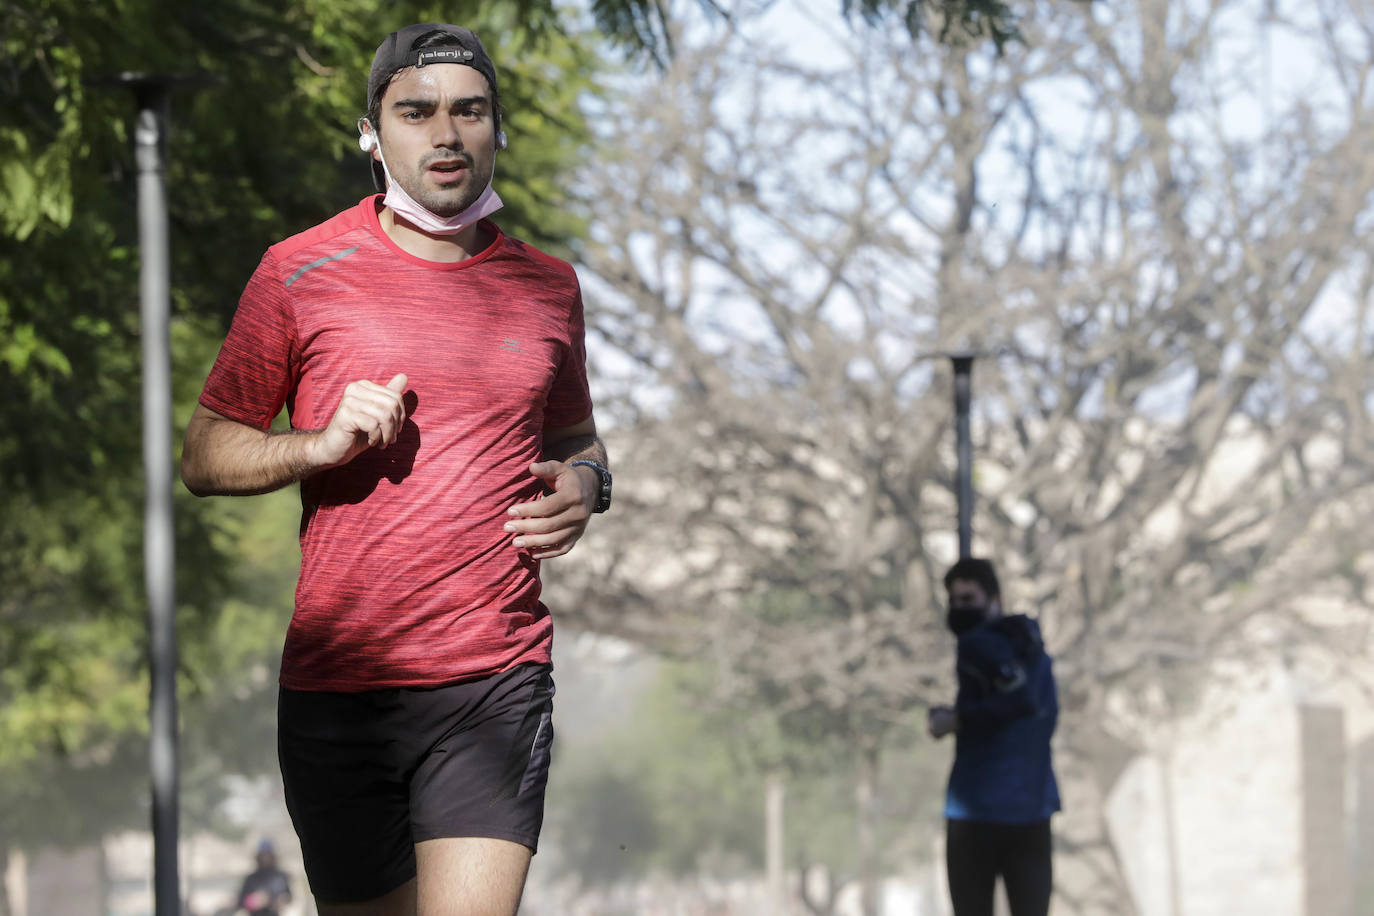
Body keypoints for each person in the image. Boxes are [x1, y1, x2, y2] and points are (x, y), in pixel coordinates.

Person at [182, 22, 612, 916]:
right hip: (341, 682)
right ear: (372, 134)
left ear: (498, 129)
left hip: (494, 673)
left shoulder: (548, 287)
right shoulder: (300, 271)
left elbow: (580, 440)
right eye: (415, 113)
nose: (445, 134)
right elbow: (206, 453)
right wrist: (318, 445)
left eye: (469, 111)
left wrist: (586, 488)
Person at [928, 558, 1060, 916]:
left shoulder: (978, 644)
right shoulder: (1035, 652)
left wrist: (957, 719)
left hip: (981, 813)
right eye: (954, 601)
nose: (959, 610)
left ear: (995, 599)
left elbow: (1019, 699)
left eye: (968, 599)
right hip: (1031, 807)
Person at [235, 839, 292, 916]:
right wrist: (253, 901)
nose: (265, 859)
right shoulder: (251, 878)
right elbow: (240, 902)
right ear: (258, 857)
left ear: (273, 856)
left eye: (268, 855)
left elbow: (289, 897)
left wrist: (280, 900)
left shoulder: (281, 876)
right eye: (263, 855)